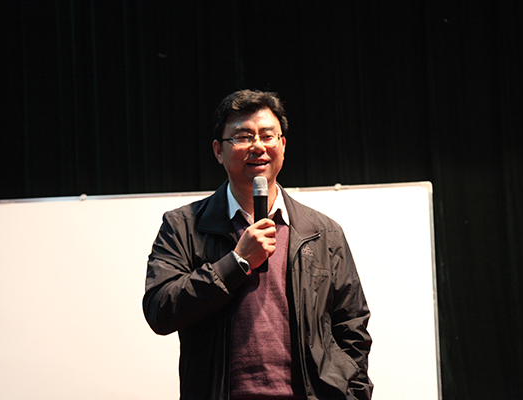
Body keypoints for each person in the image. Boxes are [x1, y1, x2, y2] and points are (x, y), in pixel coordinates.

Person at [143, 89, 373, 400]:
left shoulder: (323, 232)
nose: (258, 146)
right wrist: (236, 262)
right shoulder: (183, 226)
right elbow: (160, 310)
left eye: (267, 135)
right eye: (243, 136)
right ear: (218, 151)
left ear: (283, 145)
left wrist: (354, 394)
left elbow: (352, 326)